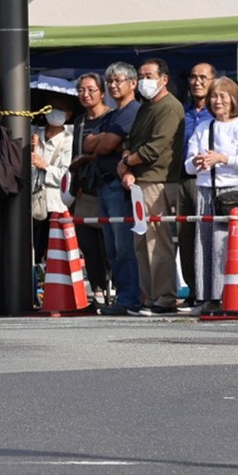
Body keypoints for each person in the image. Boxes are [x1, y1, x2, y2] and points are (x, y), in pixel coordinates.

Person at [185, 77, 238, 309]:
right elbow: (188, 165)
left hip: (233, 191)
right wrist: (198, 161)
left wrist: (222, 158)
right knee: (203, 245)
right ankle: (205, 296)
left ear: (233, 99)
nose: (217, 101)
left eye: (222, 96)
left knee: (225, 245)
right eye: (214, 96)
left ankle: (224, 295)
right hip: (205, 189)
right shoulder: (204, 127)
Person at [118, 57, 188, 315]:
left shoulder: (170, 107)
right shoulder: (146, 107)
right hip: (139, 181)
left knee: (158, 243)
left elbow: (156, 147)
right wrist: (126, 165)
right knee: (141, 242)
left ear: (164, 79)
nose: (144, 81)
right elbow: (131, 139)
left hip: (159, 181)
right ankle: (150, 296)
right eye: (141, 76)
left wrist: (127, 161)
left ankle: (165, 298)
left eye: (149, 76)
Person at [80, 63, 141, 314]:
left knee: (124, 246)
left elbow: (105, 146)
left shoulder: (132, 111)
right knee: (112, 247)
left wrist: (100, 141)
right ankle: (122, 296)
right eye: (111, 81)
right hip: (103, 184)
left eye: (118, 80)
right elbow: (89, 143)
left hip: (119, 185)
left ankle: (129, 298)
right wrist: (99, 140)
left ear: (133, 83)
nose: (114, 85)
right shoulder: (112, 114)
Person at [66, 74, 111, 301]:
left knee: (108, 244)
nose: (86, 94)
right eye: (81, 90)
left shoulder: (111, 118)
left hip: (106, 185)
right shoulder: (79, 121)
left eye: (91, 90)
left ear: (102, 93)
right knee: (87, 244)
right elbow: (76, 155)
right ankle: (97, 289)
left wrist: (88, 157)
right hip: (84, 190)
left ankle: (114, 289)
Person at [177, 63, 217, 303]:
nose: (197, 82)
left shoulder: (221, 112)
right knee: (186, 237)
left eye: (203, 77)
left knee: (210, 238)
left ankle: (212, 291)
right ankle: (194, 290)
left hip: (211, 181)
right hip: (183, 180)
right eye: (193, 77)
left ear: (213, 80)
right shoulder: (182, 112)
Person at [30, 103, 74, 273]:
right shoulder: (35, 134)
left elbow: (65, 175)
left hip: (54, 204)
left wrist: (45, 165)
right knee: (33, 248)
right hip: (33, 200)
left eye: (61, 108)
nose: (56, 112)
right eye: (52, 106)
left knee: (52, 249)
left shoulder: (68, 140)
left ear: (69, 114)